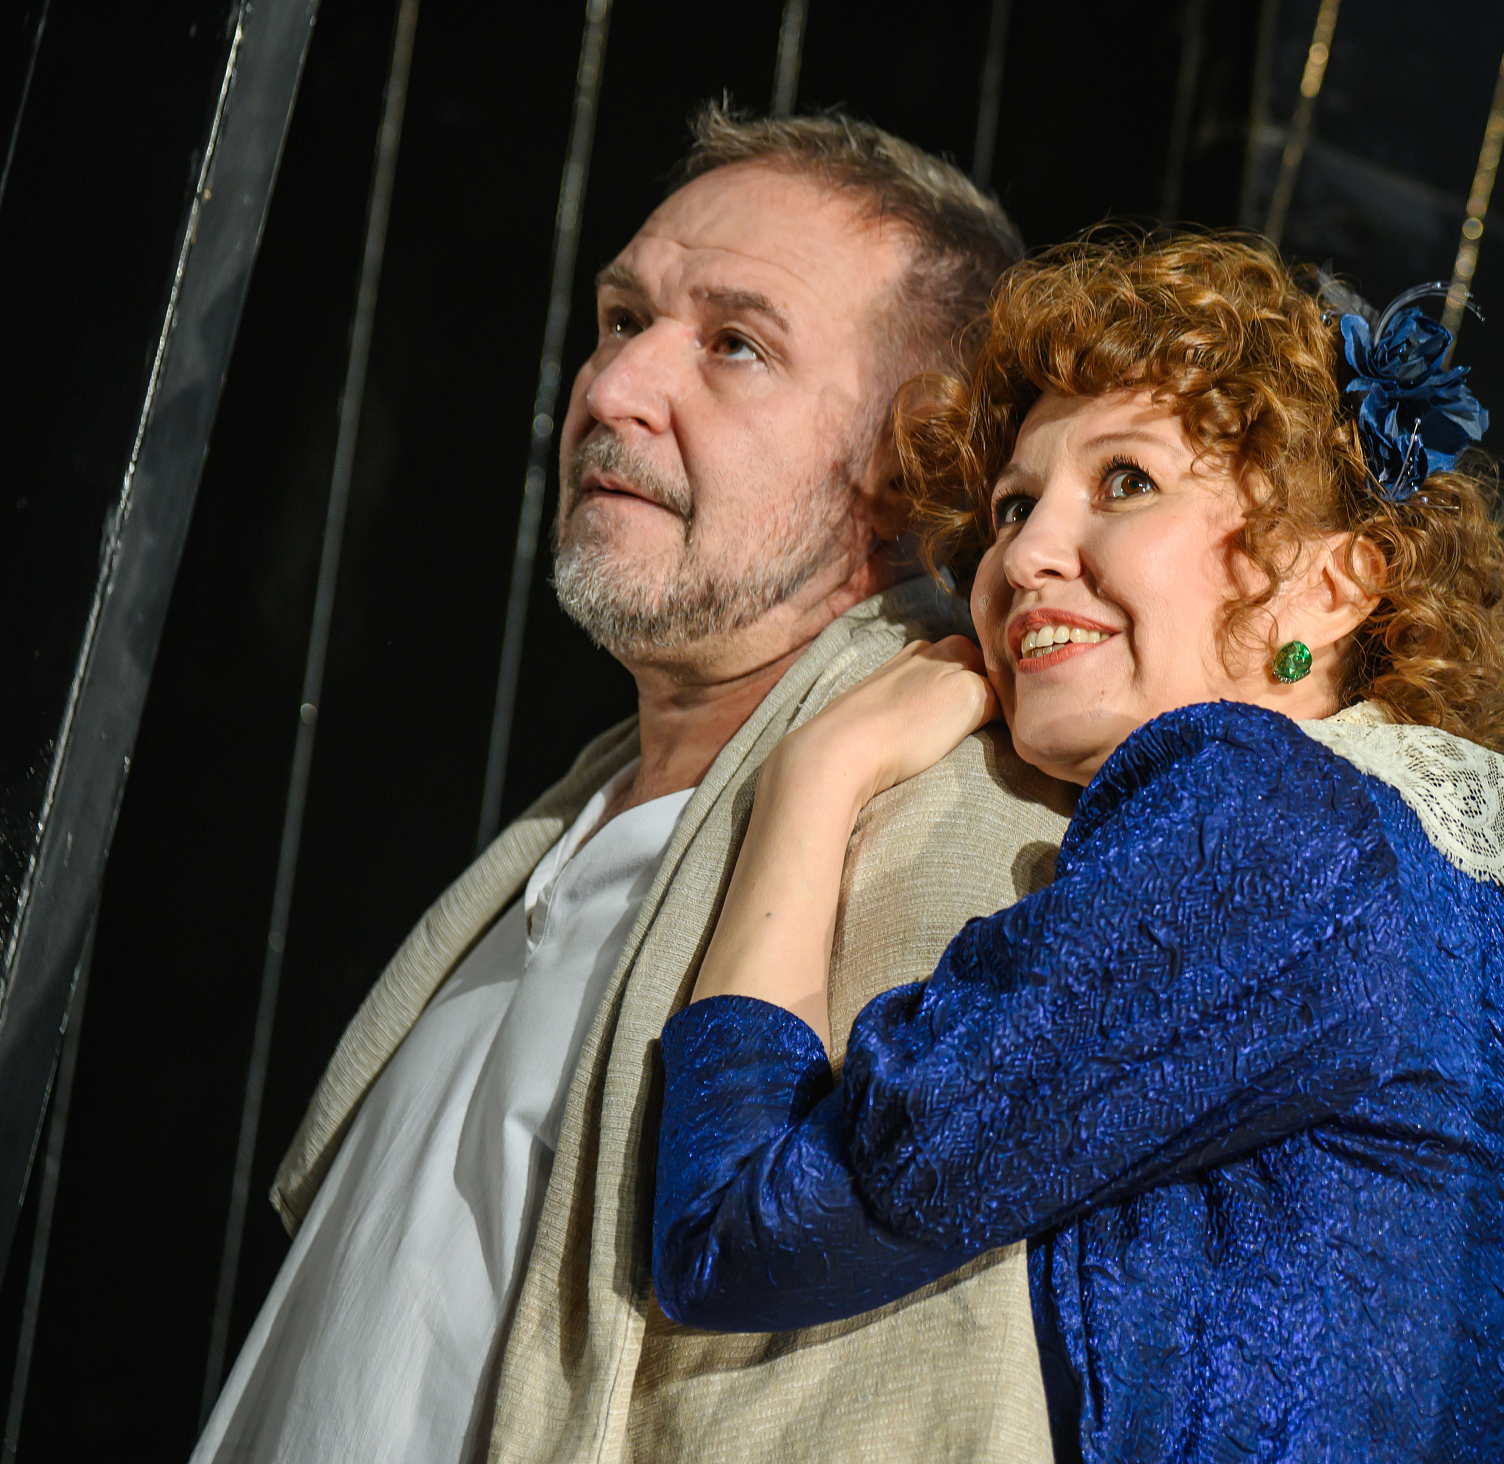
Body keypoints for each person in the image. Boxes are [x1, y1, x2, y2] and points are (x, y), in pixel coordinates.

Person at [194, 107, 1072, 1464]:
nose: (613, 391)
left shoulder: (952, 862)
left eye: (736, 344)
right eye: (621, 319)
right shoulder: (581, 812)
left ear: (920, 466)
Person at [651, 234, 1504, 1460]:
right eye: (1012, 507)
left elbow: (737, 1236)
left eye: (1125, 482)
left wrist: (811, 776)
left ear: (1331, 587)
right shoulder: (1452, 895)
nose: (1020, 558)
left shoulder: (1272, 825)